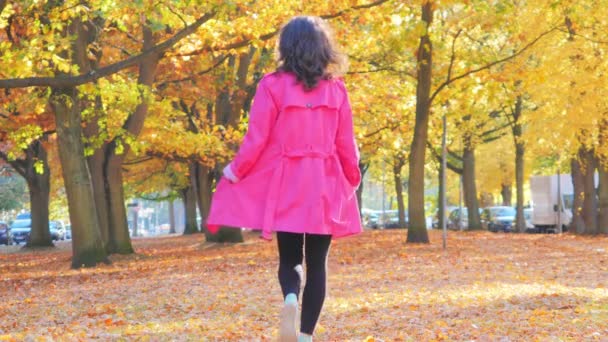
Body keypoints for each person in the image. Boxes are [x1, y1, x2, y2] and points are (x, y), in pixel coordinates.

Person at [206, 15, 362, 342]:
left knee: (290, 257)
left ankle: (291, 296)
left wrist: (235, 171)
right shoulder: (336, 90)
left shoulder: (271, 85)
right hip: (324, 182)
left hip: (286, 182)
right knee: (317, 262)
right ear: (323, 48)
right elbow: (346, 142)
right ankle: (305, 336)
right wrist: (351, 175)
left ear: (286, 47)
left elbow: (256, 139)